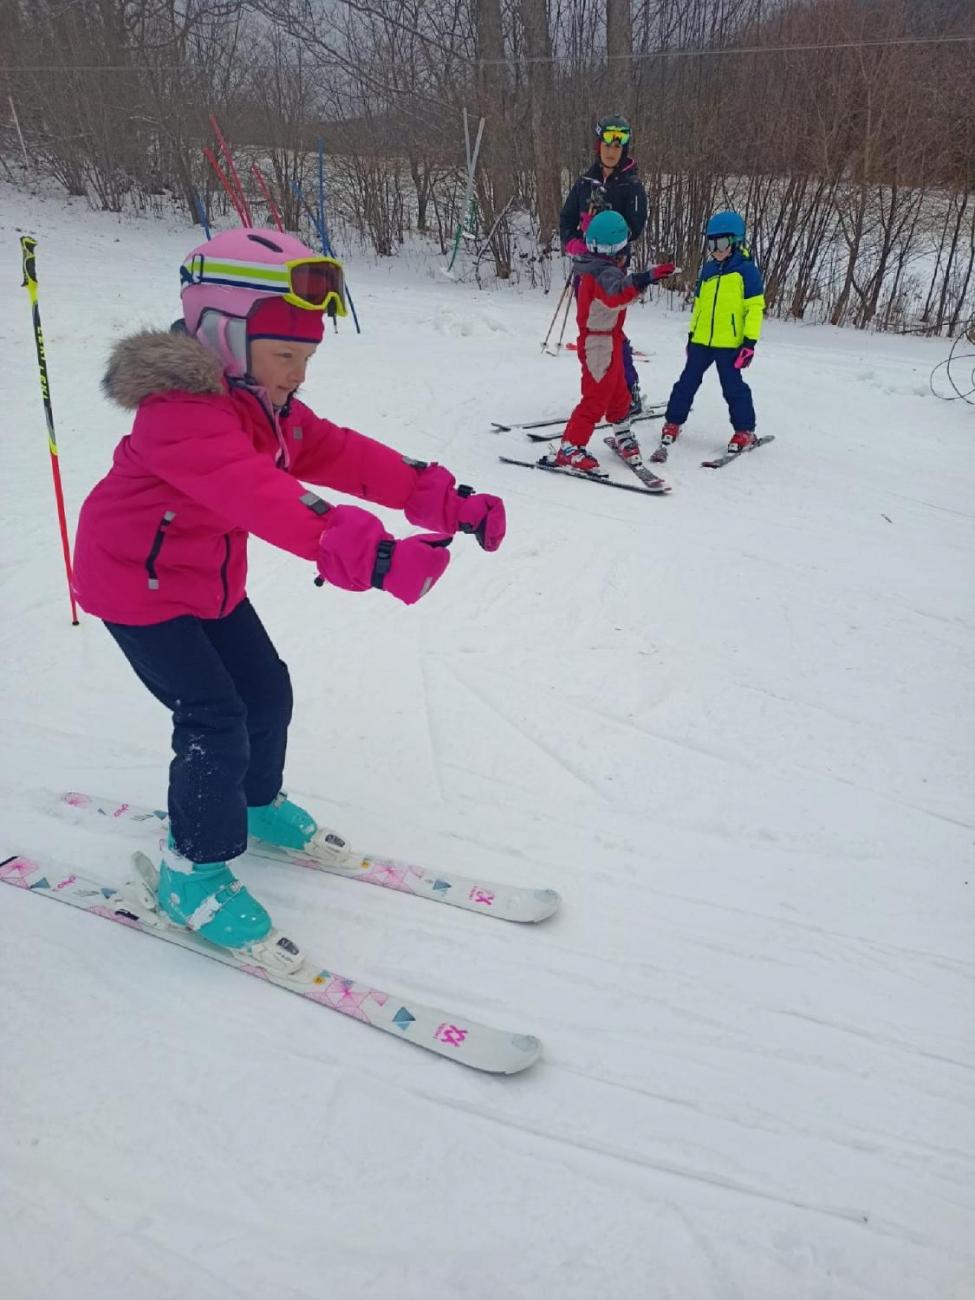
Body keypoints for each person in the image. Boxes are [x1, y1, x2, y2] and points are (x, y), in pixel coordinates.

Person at [71, 226, 506, 973]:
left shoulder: (260, 401)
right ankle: (192, 873)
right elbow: (260, 495)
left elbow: (339, 451)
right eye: (285, 356)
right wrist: (367, 553)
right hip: (133, 586)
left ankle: (255, 802)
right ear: (222, 336)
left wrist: (439, 497)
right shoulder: (178, 415)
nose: (297, 375)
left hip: (204, 578)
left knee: (265, 690)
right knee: (214, 715)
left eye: (306, 357)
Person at [545, 210, 674, 476]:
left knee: (619, 393)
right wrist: (645, 278)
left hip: (611, 339)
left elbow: (618, 285)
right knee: (596, 397)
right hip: (597, 344)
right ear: (618, 250)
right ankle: (570, 447)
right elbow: (617, 295)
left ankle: (622, 434)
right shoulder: (601, 273)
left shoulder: (598, 266)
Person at [560, 114, 649, 415]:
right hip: (586, 268)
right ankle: (597, 389)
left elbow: (636, 227)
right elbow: (566, 219)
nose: (612, 150)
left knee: (611, 333)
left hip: (613, 271)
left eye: (618, 144)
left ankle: (628, 389)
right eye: (607, 144)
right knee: (588, 330)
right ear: (598, 145)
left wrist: (605, 225)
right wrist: (574, 241)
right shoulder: (585, 182)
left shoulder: (631, 185)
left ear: (624, 148)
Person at [657, 210, 765, 457]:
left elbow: (755, 309)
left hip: (730, 343)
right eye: (712, 243)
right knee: (686, 382)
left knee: (733, 387)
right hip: (701, 341)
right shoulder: (707, 270)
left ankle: (744, 430)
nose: (717, 249)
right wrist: (692, 335)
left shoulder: (746, 272)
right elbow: (699, 307)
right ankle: (673, 422)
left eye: (723, 243)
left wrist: (749, 342)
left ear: (736, 242)